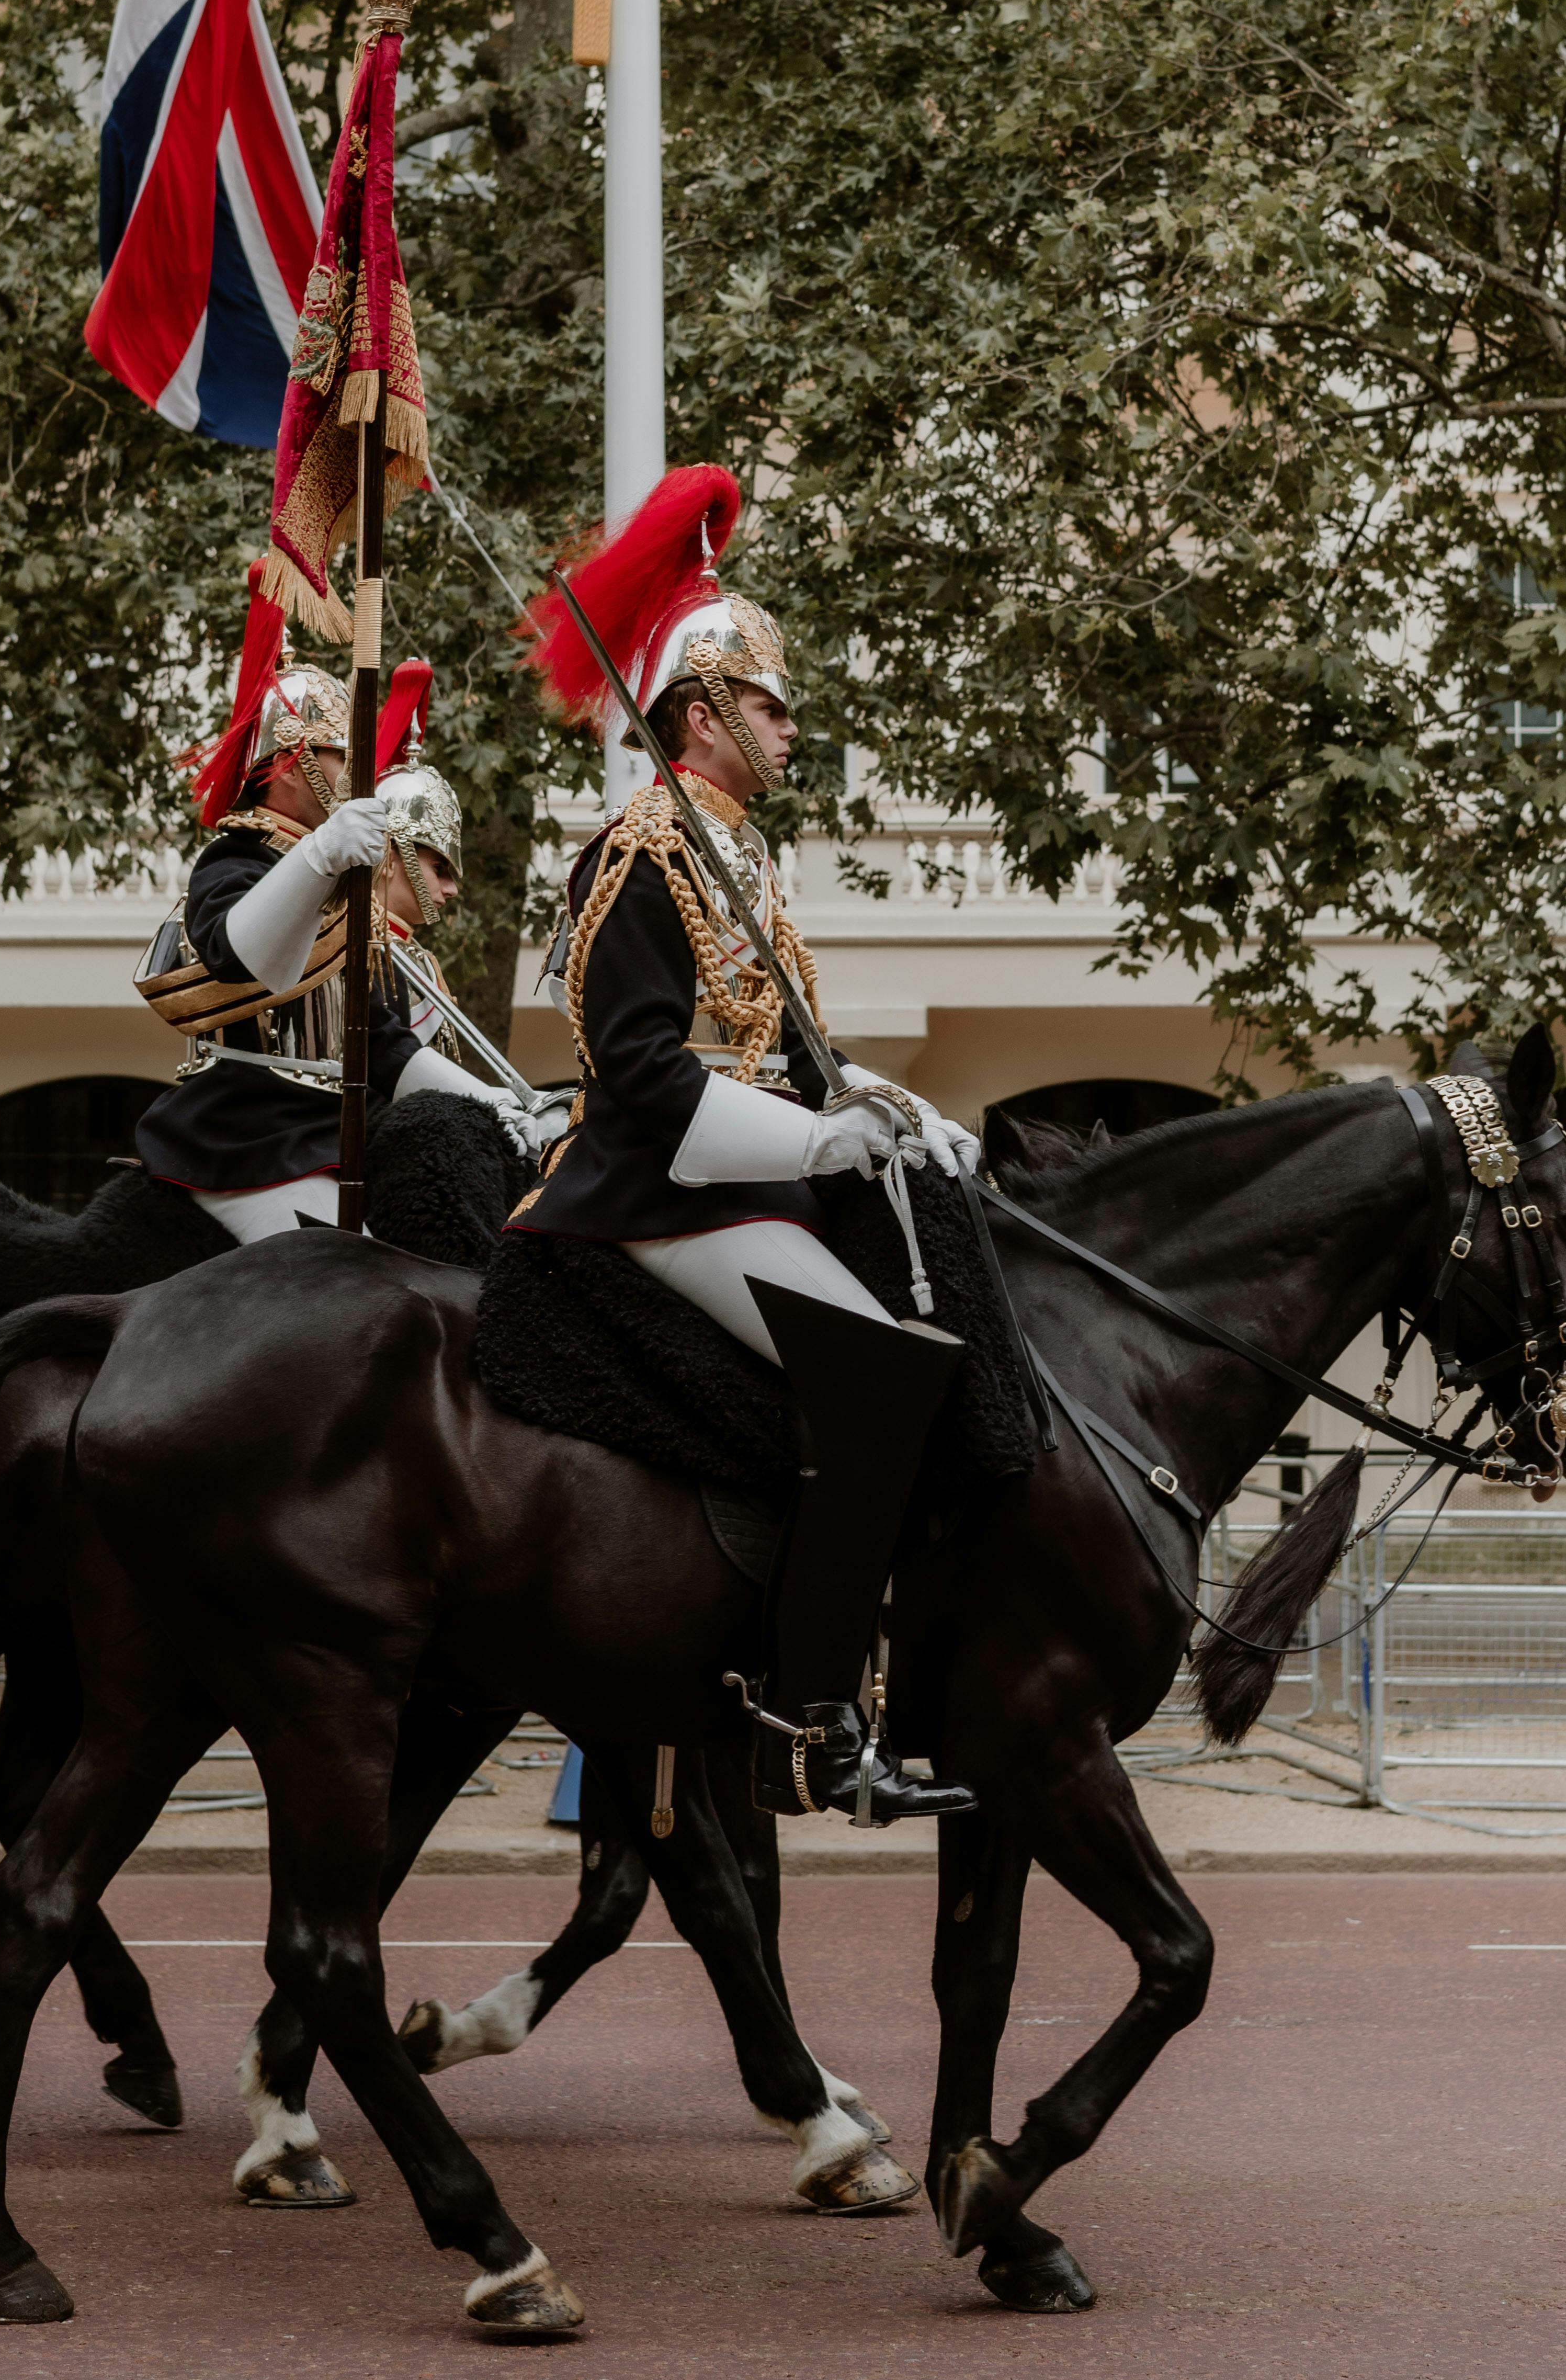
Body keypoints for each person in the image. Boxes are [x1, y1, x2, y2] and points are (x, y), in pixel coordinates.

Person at [516, 466, 984, 1826]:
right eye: (775, 708)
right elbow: (650, 1076)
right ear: (705, 713)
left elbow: (801, 1057)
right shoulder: (642, 851)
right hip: (663, 1193)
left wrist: (891, 1112)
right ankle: (816, 1712)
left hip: (751, 1178)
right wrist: (828, 1145)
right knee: (883, 1380)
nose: (795, 731)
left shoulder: (740, 859)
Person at [132, 654, 543, 1241]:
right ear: (291, 765)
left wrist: (496, 1101)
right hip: (250, 1137)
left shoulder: (330, 887)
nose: (362, 776)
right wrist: (320, 853)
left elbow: (377, 1038)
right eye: (345, 758)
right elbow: (240, 957)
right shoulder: (238, 857)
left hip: (327, 1131)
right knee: (357, 1286)